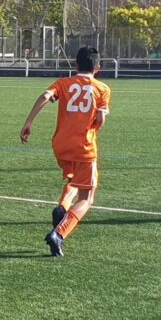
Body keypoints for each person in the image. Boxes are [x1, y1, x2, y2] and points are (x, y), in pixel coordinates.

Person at [20, 46, 111, 257]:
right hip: (84, 147)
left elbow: (45, 95)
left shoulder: (63, 83)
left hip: (60, 145)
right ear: (98, 67)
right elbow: (101, 119)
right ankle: (59, 233)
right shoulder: (102, 89)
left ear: (76, 65)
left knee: (73, 178)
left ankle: (62, 206)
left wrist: (29, 122)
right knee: (87, 198)